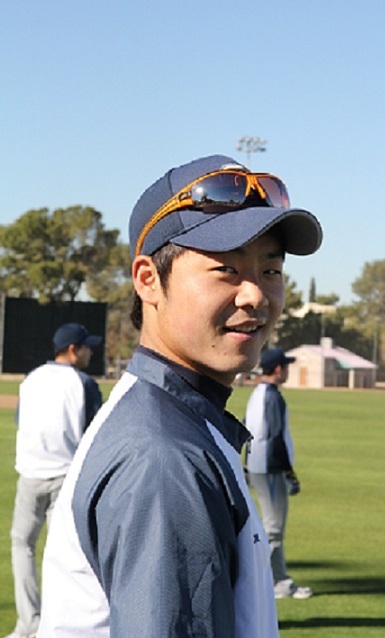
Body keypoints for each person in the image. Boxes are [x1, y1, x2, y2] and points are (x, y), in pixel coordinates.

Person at [37, 153, 322, 637]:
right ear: (148, 280)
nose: (255, 295)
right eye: (226, 269)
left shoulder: (173, 419)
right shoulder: (166, 459)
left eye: (270, 271)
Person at [6, 323, 103, 638]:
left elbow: (23, 422)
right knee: (62, 555)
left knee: (22, 546)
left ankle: (28, 623)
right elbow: (96, 435)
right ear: (73, 350)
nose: (90, 352)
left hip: (30, 475)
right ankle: (54, 625)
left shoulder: (31, 379)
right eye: (86, 347)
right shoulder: (83, 383)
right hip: (66, 478)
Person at [245, 347, 313, 600]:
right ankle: (275, 582)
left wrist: (246, 464)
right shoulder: (273, 397)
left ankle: (276, 580)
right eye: (285, 366)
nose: (287, 371)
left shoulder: (256, 393)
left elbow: (247, 430)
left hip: (258, 466)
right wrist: (289, 472)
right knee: (273, 529)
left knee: (271, 528)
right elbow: (275, 437)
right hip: (270, 468)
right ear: (277, 369)